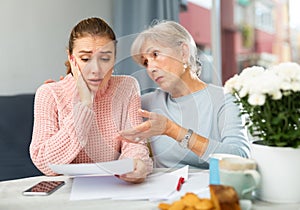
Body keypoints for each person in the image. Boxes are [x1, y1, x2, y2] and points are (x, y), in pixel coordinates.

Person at [30, 17, 153, 183]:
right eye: (85, 59)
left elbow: (134, 144)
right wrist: (84, 105)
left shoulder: (127, 87)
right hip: (68, 192)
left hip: (115, 186)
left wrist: (137, 164)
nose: (95, 70)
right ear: (71, 58)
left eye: (104, 59)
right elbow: (44, 163)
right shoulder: (49, 94)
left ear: (114, 59)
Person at [119, 20, 251, 169]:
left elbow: (240, 157)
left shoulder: (224, 99)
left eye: (155, 54)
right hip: (163, 190)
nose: (151, 68)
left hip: (211, 189)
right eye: (145, 63)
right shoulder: (147, 104)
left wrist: (172, 130)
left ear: (183, 52)